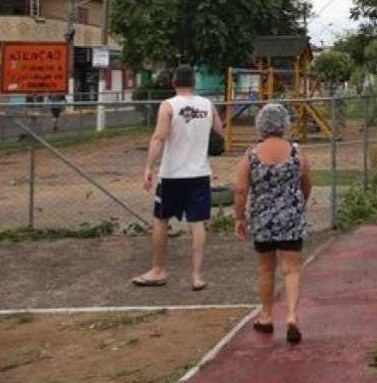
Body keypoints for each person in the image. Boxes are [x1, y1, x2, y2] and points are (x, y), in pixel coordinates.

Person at [133, 65, 223, 291]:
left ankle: (158, 269)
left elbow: (159, 137)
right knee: (198, 222)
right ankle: (196, 275)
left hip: (172, 174)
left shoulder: (169, 105)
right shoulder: (207, 105)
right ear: (194, 82)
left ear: (174, 82)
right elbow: (219, 134)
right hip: (199, 172)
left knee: (161, 220)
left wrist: (148, 167)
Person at [234, 103, 312, 345]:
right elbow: (307, 181)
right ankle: (291, 316)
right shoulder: (297, 152)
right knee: (291, 268)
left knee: (266, 269)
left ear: (261, 125)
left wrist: (239, 216)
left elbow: (240, 189)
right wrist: (300, 204)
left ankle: (267, 316)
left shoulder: (251, 155)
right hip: (290, 217)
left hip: (263, 219)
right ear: (284, 124)